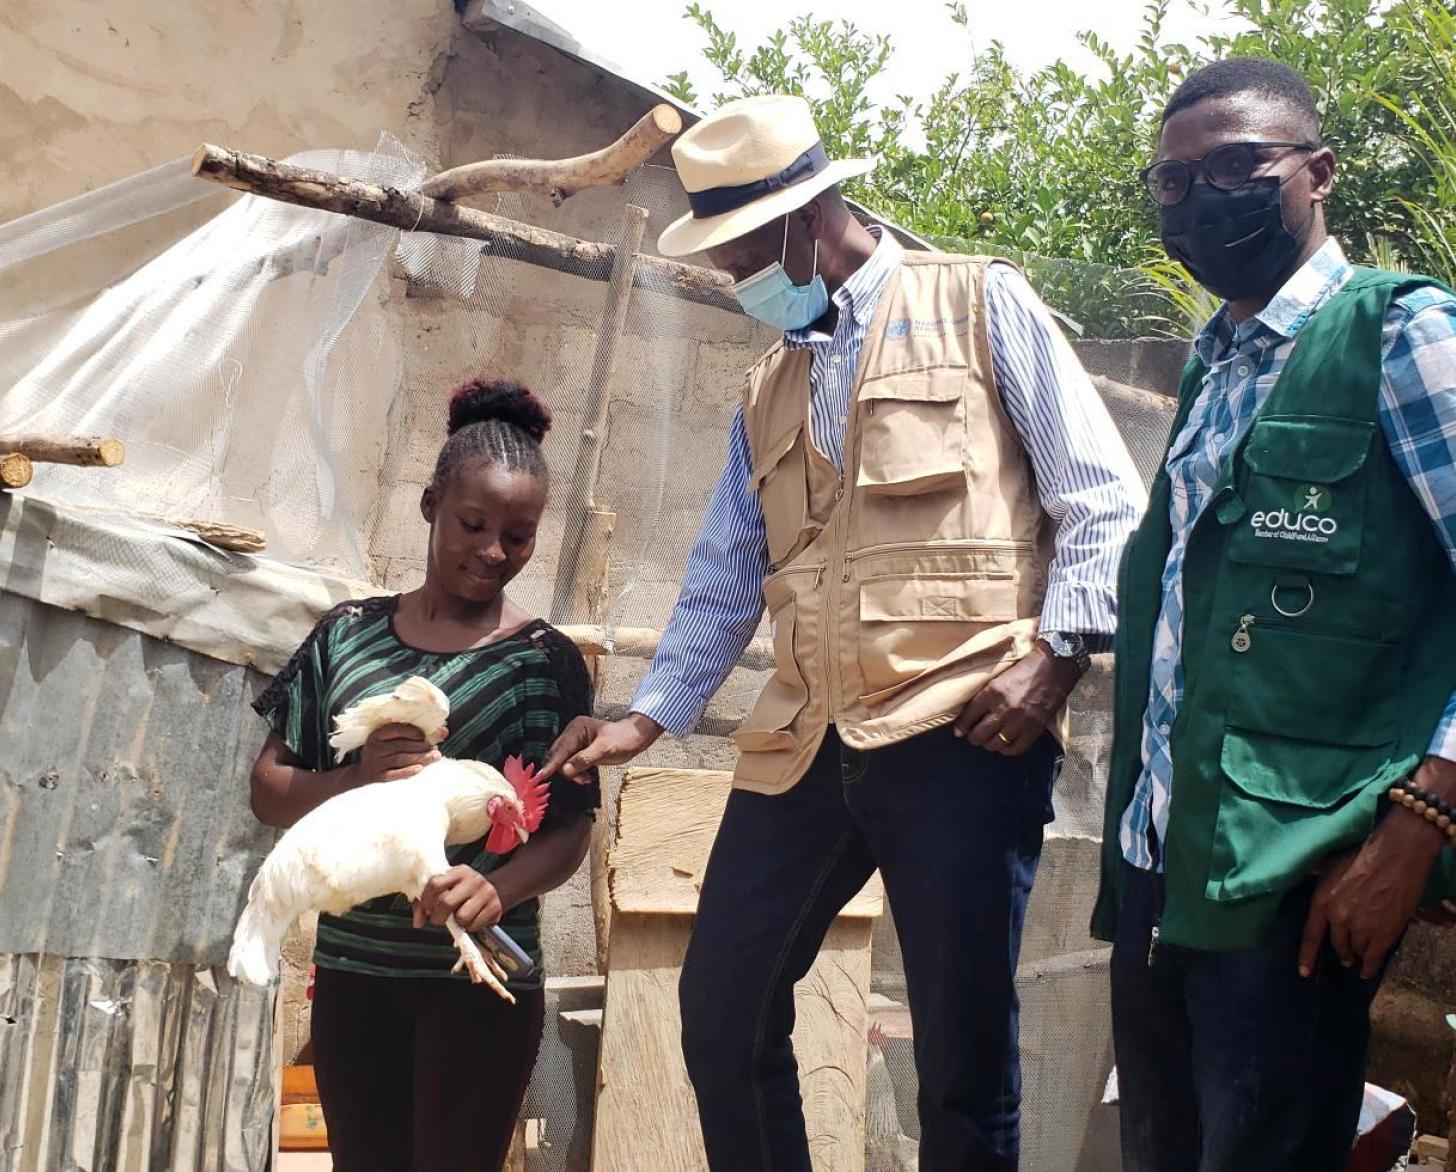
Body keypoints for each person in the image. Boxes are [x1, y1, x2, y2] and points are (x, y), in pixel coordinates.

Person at [541, 94, 1146, 1171]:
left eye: (744, 254)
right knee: (721, 1009)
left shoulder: (978, 303)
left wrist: (1054, 662)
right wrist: (646, 719)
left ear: (809, 217)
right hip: (805, 738)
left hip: (964, 723)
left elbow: (1103, 499)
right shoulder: (768, 383)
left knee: (961, 1057)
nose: (737, 278)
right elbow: (729, 570)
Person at [1092, 57, 1456, 1171]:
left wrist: (1419, 822)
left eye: (1235, 167)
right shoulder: (1212, 369)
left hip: (1300, 876)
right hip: (1161, 857)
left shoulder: (1400, 337)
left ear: (1318, 172)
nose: (1200, 199)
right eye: (1173, 182)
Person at [248, 380, 600, 1172]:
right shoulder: (346, 637)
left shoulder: (544, 664)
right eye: (474, 525)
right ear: (431, 504)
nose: (494, 551)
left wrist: (498, 890)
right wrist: (353, 781)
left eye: (519, 535)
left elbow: (570, 829)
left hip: (480, 980)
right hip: (355, 974)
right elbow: (268, 789)